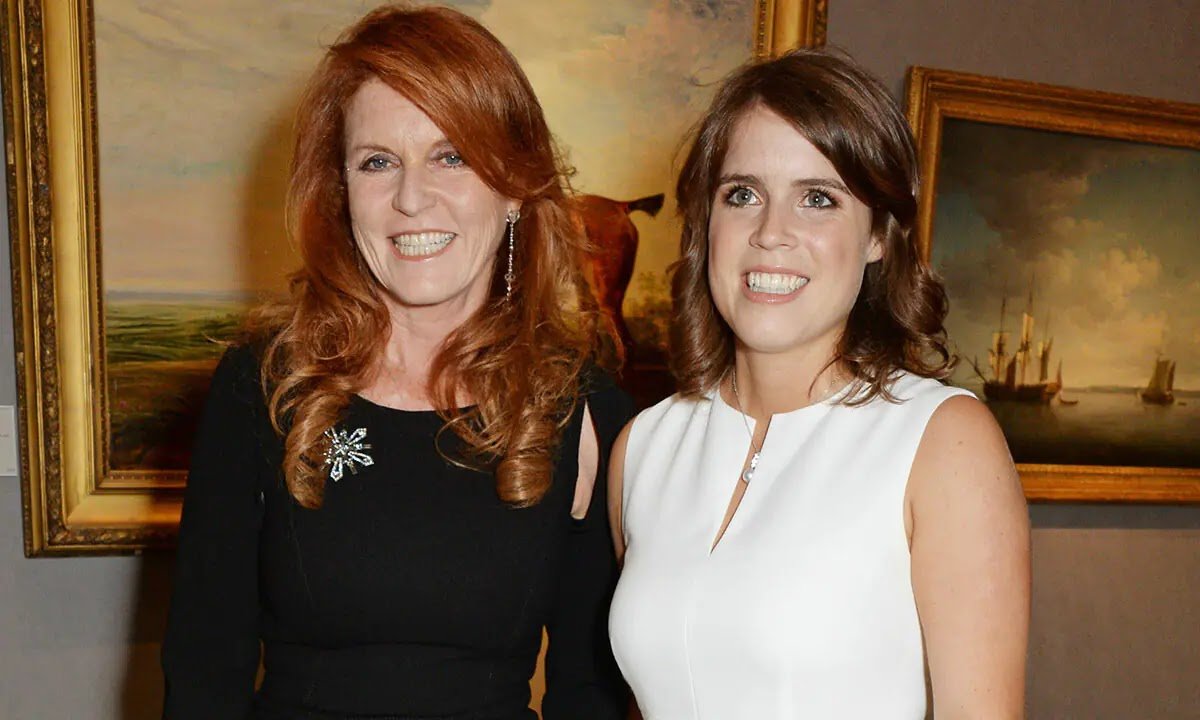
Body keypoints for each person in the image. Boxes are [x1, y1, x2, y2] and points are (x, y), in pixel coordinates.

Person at [161, 5, 632, 719]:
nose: (412, 198)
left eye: (451, 156)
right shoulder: (262, 388)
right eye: (377, 162)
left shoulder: (586, 411)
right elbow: (202, 676)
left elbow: (589, 696)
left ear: (513, 187)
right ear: (341, 192)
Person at [607, 48, 1030, 719]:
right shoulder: (645, 447)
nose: (771, 233)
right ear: (706, 221)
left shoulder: (942, 441)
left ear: (879, 235)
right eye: (742, 195)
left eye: (817, 199)